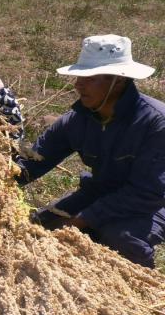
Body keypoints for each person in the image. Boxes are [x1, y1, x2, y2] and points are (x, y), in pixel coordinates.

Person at [15, 34, 165, 268]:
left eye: (90, 78)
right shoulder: (77, 120)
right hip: (101, 192)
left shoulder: (156, 123)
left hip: (152, 202)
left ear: (118, 81)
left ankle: (142, 291)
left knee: (119, 237)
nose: (78, 85)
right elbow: (34, 161)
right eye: (79, 77)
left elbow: (147, 192)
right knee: (39, 226)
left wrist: (85, 219)